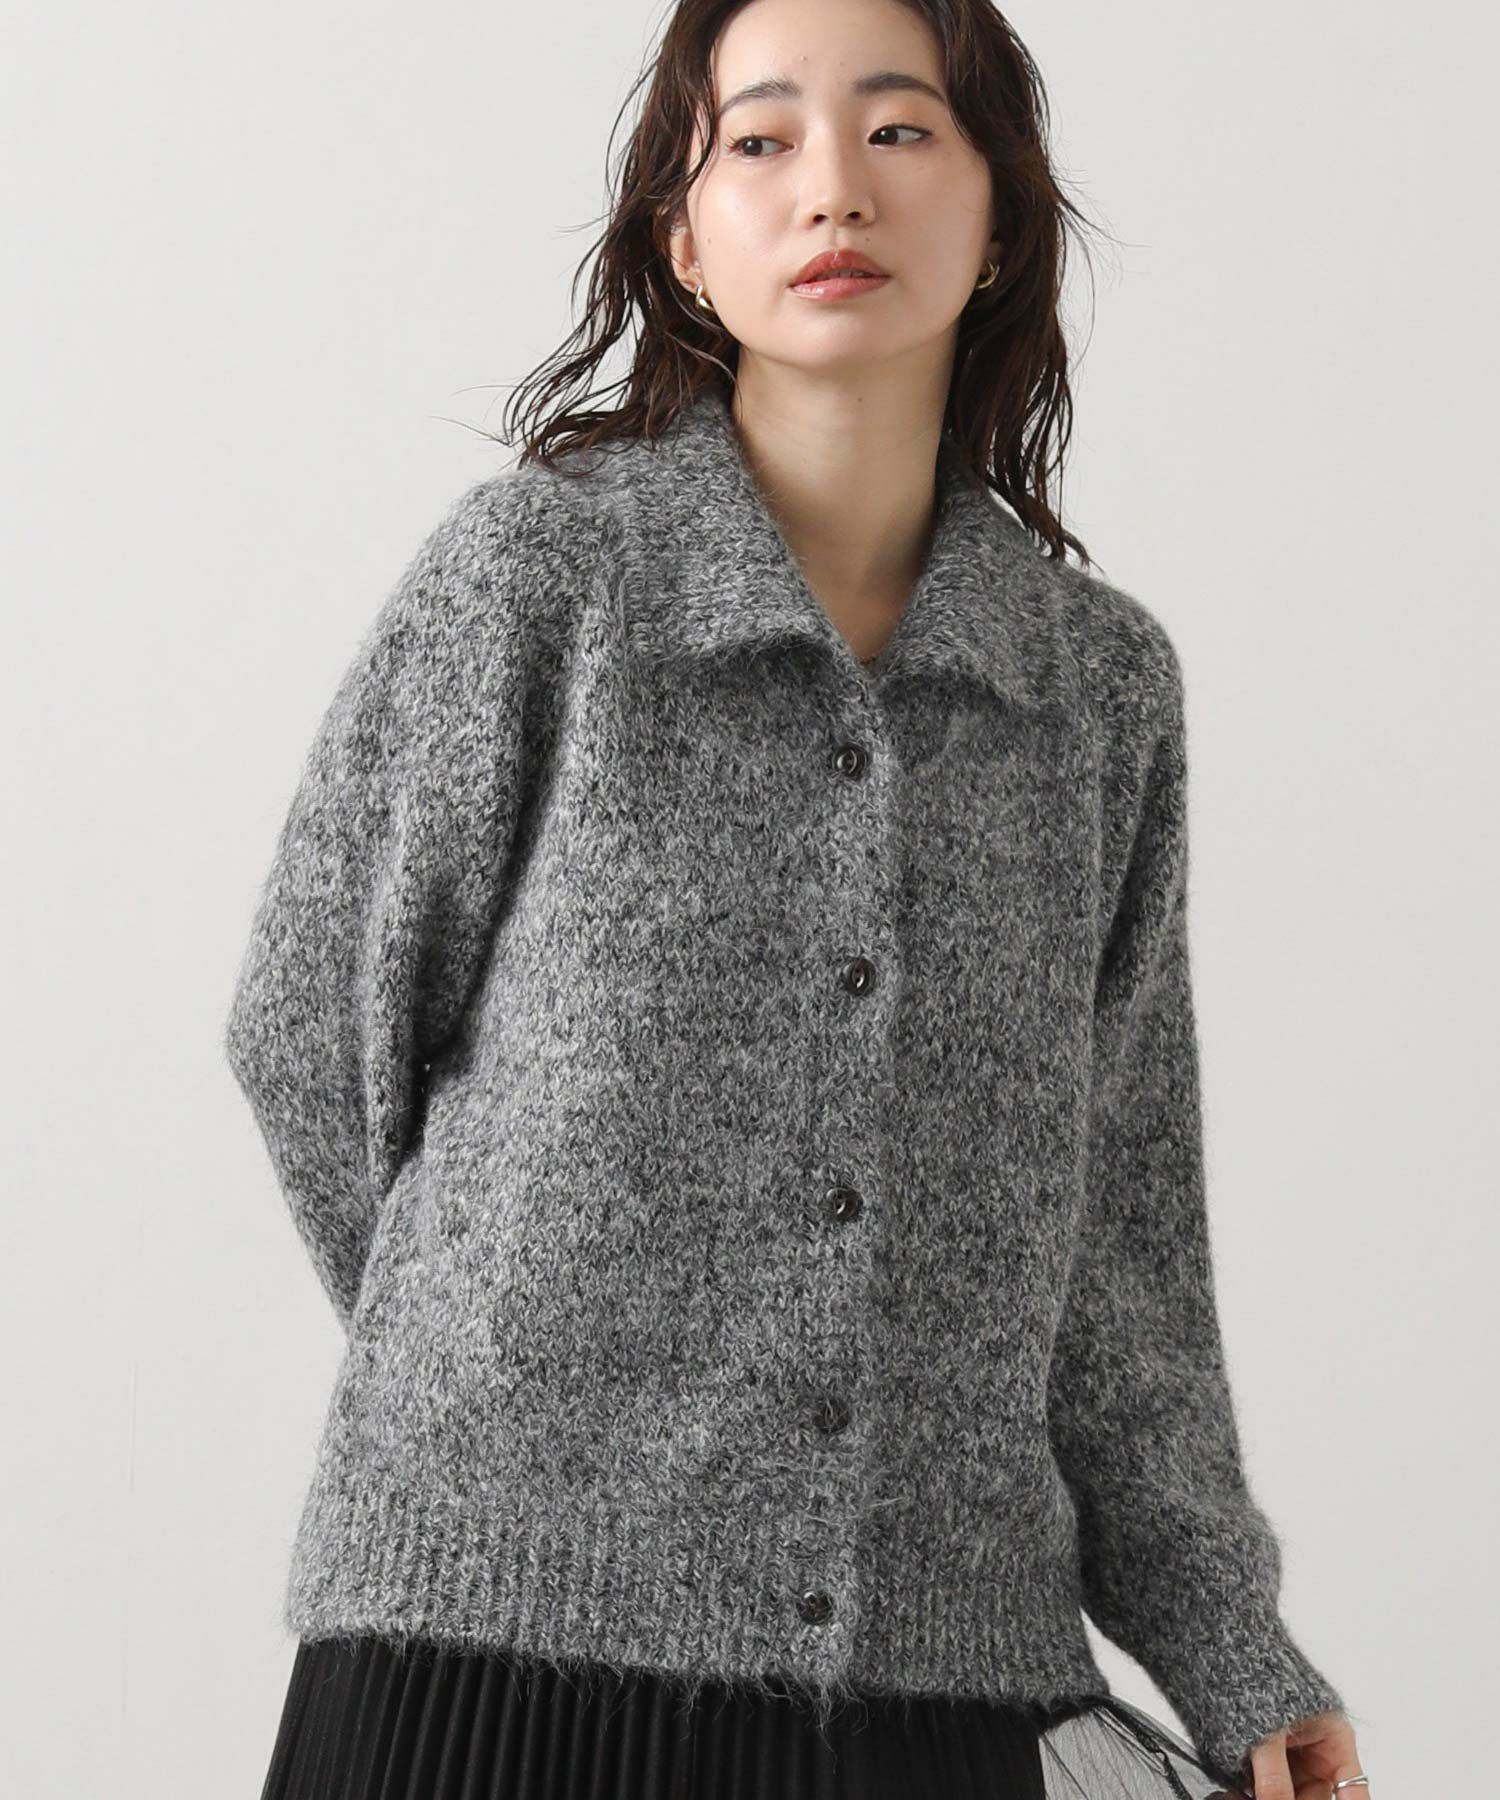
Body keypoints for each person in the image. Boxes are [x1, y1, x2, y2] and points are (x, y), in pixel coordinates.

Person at [227, 2, 1374, 1796]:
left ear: (1001, 215)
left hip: (939, 1681)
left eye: (901, 130)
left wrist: (1230, 1645)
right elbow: (310, 1033)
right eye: (760, 141)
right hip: (483, 1670)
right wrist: (507, 1400)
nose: (833, 185)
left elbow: (1120, 1253)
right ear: (684, 239)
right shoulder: (537, 584)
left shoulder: (1093, 692)